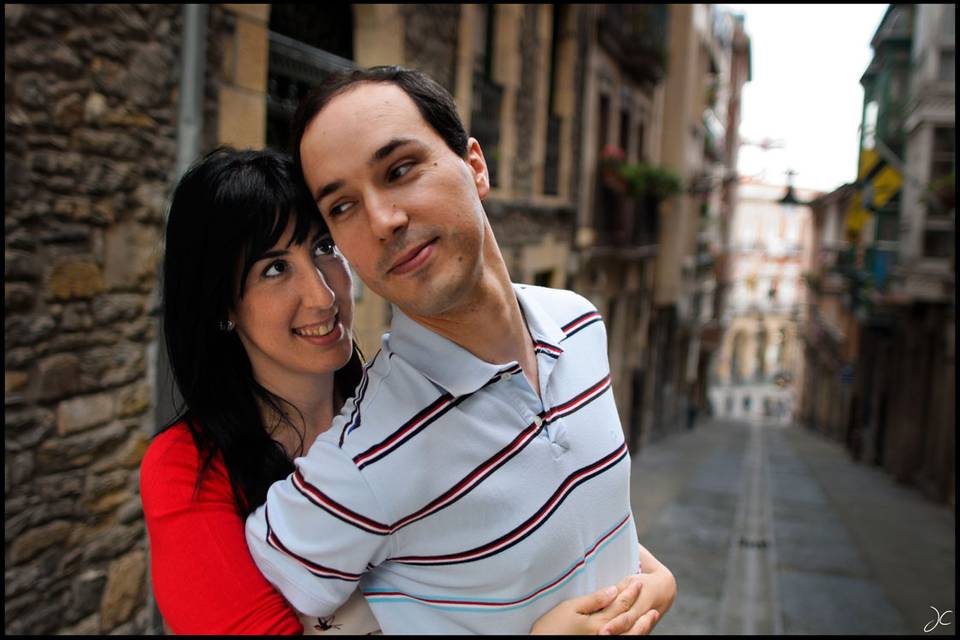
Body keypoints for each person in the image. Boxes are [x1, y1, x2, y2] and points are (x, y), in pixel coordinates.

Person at [140, 147, 671, 634]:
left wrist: (649, 580)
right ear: (220, 308)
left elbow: (542, 535)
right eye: (275, 269)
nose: (324, 294)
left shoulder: (405, 408)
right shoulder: (186, 469)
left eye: (323, 247)